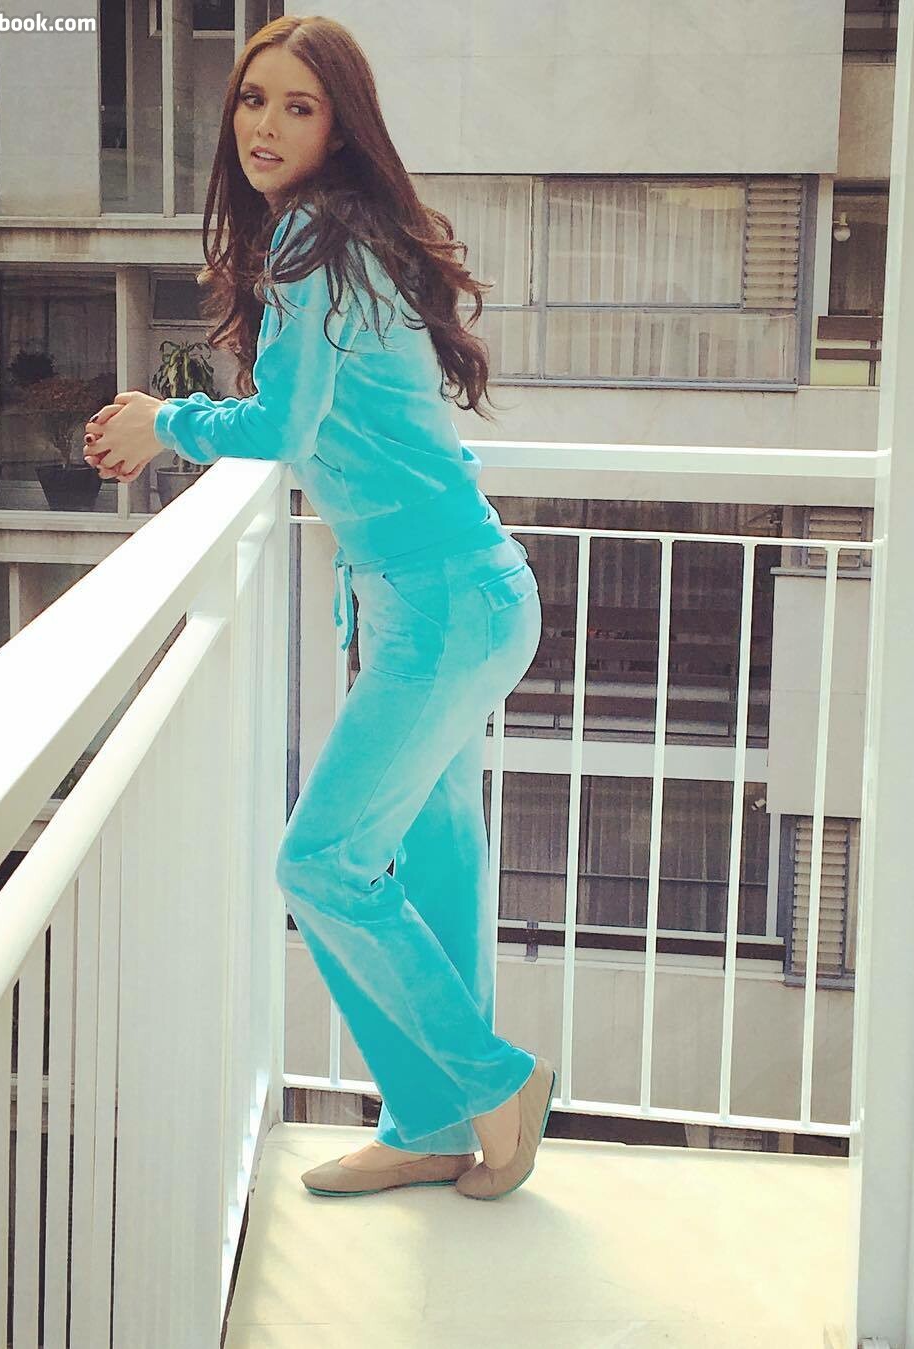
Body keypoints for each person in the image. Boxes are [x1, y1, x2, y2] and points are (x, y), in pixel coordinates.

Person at [82, 15, 556, 1201]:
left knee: (323, 862)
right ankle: (433, 1124)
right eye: (254, 100)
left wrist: (163, 421)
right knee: (434, 862)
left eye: (298, 106)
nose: (266, 125)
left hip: (444, 605)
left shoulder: (314, 239)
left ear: (339, 127)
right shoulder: (349, 233)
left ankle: (491, 1081)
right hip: (451, 595)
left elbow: (285, 426)